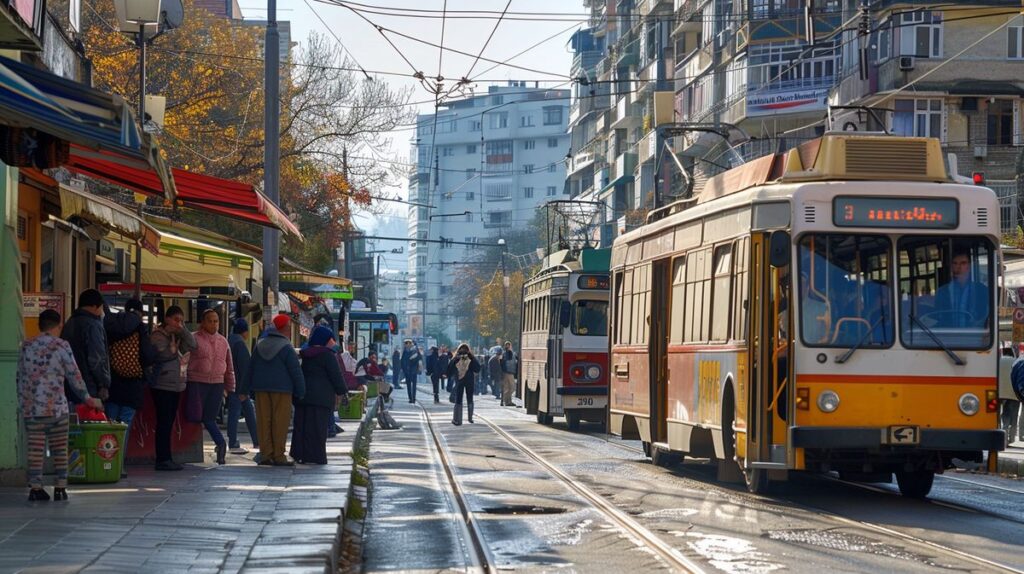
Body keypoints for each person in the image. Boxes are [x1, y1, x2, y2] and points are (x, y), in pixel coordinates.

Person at [18, 309, 104, 501]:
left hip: (32, 408)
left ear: (40, 325)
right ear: (59, 326)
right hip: (57, 408)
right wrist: (87, 398)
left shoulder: (27, 346)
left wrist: (22, 403)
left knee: (35, 450)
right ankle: (60, 487)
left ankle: (35, 488)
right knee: (60, 449)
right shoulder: (61, 345)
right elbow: (74, 374)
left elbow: (20, 377)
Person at [103, 298, 156, 478]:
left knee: (109, 424)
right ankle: (119, 466)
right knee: (123, 425)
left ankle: (106, 462)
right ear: (140, 312)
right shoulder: (140, 327)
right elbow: (148, 355)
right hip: (132, 384)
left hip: (112, 383)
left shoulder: (111, 324)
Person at [244, 314, 305, 466]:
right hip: (282, 390)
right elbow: (295, 371)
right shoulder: (286, 347)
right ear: (284, 328)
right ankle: (278, 455)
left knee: (264, 421)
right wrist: (301, 390)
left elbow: (250, 369)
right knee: (280, 422)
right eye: (289, 328)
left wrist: (243, 389)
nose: (290, 331)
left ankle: (265, 454)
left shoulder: (260, 345)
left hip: (261, 389)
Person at [149, 306, 196, 471]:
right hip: (162, 384)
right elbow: (161, 354)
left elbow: (193, 344)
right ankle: (162, 459)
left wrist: (183, 331)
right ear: (167, 319)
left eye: (182, 320)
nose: (179, 323)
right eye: (176, 320)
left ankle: (167, 457)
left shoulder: (179, 335)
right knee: (164, 422)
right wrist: (173, 350)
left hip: (176, 384)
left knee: (168, 423)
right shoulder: (157, 335)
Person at [292, 326, 347, 465]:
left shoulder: (303, 354)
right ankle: (316, 456)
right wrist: (342, 392)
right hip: (321, 399)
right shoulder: (328, 355)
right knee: (318, 430)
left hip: (303, 397)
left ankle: (300, 454)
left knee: (302, 428)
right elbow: (336, 376)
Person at [187, 309, 235, 465]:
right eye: (210, 321)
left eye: (216, 321)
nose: (214, 324)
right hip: (196, 383)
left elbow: (229, 366)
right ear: (203, 322)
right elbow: (184, 359)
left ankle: (221, 445)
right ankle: (190, 450)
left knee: (209, 418)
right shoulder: (194, 338)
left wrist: (230, 387)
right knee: (194, 416)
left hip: (217, 384)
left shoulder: (223, 341)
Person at [60, 289, 111, 403]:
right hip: (89, 386)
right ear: (94, 306)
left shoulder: (69, 323)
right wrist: (103, 383)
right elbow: (97, 358)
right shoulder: (93, 325)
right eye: (101, 307)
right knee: (89, 418)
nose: (102, 312)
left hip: (68, 384)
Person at [934, 250, 989, 328]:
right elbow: (938, 316)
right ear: (951, 266)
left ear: (969, 266)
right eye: (955, 263)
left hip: (974, 336)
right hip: (947, 336)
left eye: (963, 263)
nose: (958, 267)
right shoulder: (942, 291)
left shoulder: (981, 290)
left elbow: (986, 317)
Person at [227, 319, 259, 455]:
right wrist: (245, 388)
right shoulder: (240, 344)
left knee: (241, 412)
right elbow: (245, 368)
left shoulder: (229, 341)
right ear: (245, 331)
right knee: (238, 412)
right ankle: (235, 441)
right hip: (239, 385)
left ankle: (254, 439)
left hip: (231, 382)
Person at [446, 344, 480, 425]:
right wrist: (471, 357)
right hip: (469, 381)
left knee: (459, 399)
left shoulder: (456, 358)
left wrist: (455, 359)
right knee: (469, 398)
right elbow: (477, 369)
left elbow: (449, 370)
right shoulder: (469, 358)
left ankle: (457, 419)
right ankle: (470, 418)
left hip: (460, 380)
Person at [1001, 346, 1021, 445]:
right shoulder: (1017, 362)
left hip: (1000, 394)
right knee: (1014, 416)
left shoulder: (998, 361)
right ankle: (1011, 438)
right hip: (1014, 393)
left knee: (1004, 415)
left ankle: (1003, 436)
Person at [400, 339, 422, 403]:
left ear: (410, 344)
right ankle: (410, 398)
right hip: (407, 371)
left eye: (406, 344)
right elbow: (402, 361)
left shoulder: (415, 350)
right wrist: (403, 369)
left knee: (413, 385)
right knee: (409, 385)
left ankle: (413, 398)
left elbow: (419, 359)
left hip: (413, 370)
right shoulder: (405, 351)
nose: (406, 345)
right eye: (405, 344)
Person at [500, 341, 518, 407]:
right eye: (507, 345)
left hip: (507, 372)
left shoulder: (505, 353)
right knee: (512, 387)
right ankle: (507, 401)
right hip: (508, 372)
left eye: (508, 345)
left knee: (507, 388)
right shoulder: (508, 353)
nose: (508, 347)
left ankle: (507, 401)